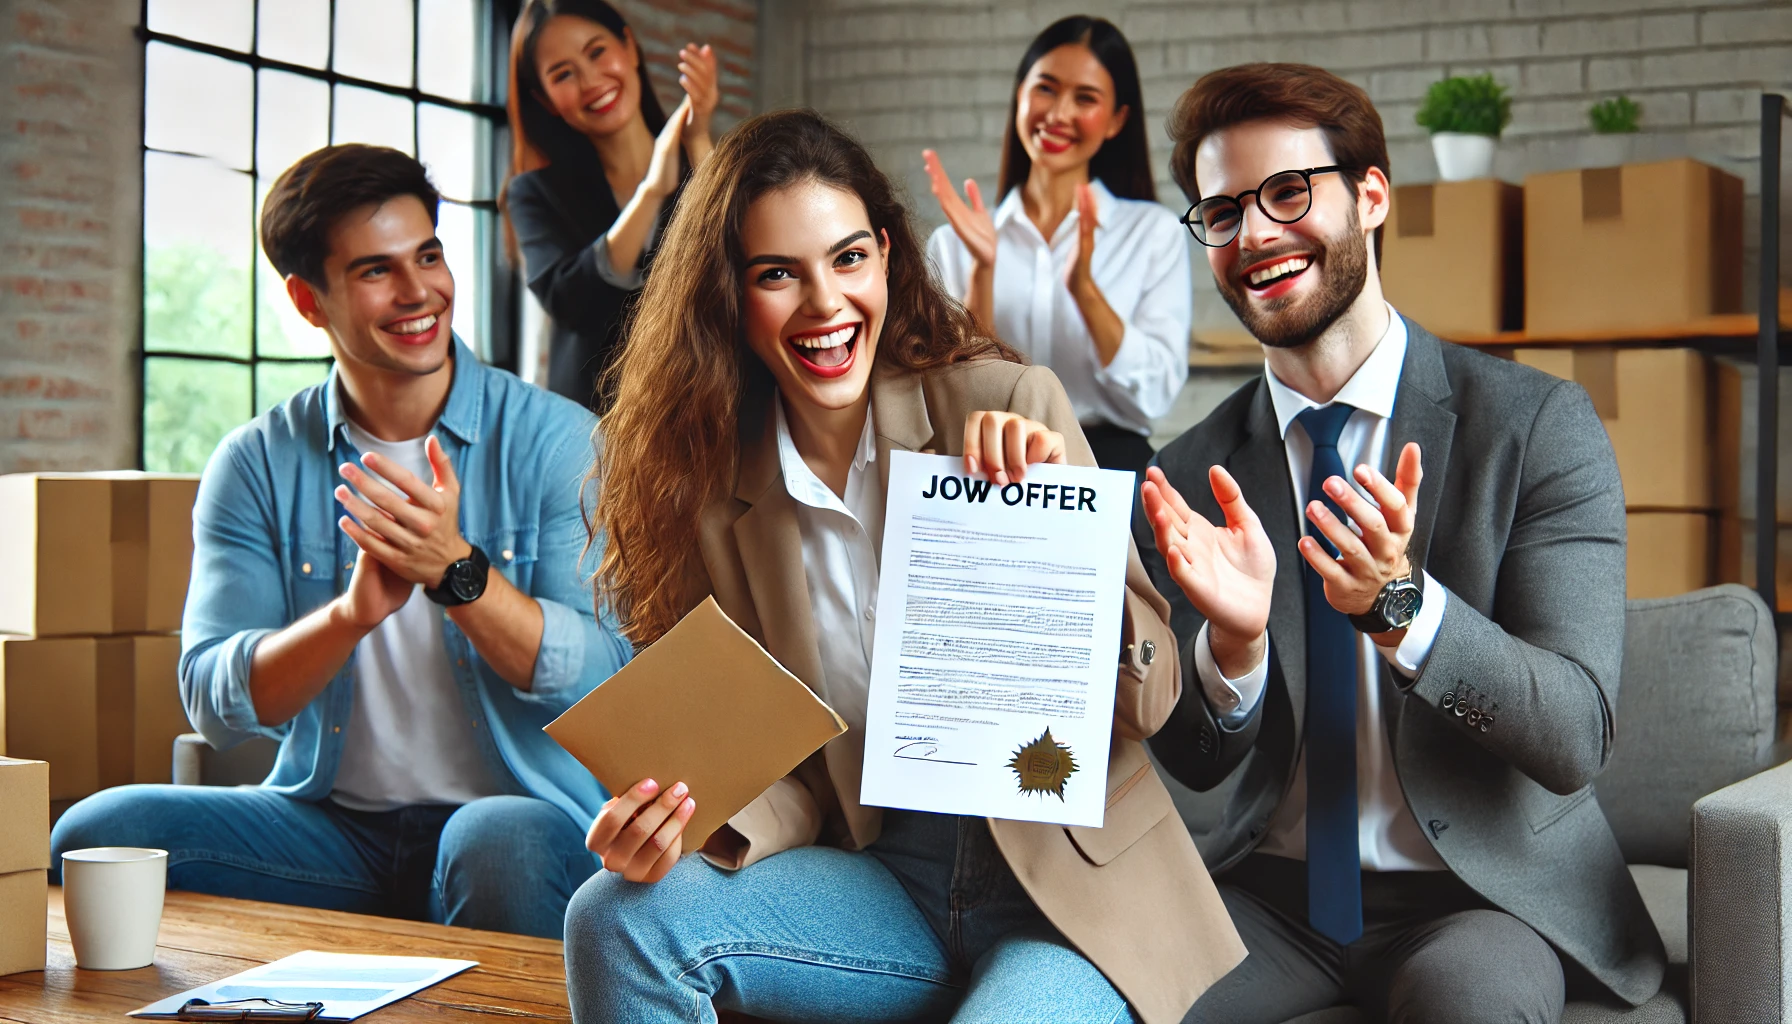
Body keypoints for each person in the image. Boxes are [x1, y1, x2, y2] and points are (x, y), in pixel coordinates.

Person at [561, 109, 1243, 1024]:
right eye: (777, 275)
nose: (825, 305)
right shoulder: (715, 494)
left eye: (848, 259)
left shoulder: (1006, 404)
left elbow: (1146, 704)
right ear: (729, 294)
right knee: (615, 916)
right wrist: (686, 822)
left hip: (1064, 895)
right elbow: (786, 769)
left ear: (885, 255)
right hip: (883, 878)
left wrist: (1050, 540)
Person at [1131, 64, 1666, 1023]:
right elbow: (1200, 762)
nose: (1253, 235)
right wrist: (1235, 652)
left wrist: (1402, 608)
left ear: (1371, 196)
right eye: (1220, 212)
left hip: (1479, 899)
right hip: (1271, 899)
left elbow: (1574, 735)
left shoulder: (1536, 425)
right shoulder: (1191, 470)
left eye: (1288, 193)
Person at [49, 145, 633, 939]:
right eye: (375, 271)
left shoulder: (560, 442)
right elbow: (216, 699)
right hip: (333, 834)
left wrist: (459, 574)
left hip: (524, 826)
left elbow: (609, 677)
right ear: (307, 298)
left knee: (491, 840)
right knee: (97, 834)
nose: (418, 291)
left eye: (428, 255)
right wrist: (351, 616)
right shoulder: (257, 462)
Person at [924, 15, 1190, 475]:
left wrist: (1084, 289)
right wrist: (983, 270)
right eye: (1045, 88)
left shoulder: (1152, 232)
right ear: (1020, 94)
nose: (1059, 113)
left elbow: (1154, 394)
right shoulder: (955, 242)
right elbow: (949, 392)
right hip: (989, 467)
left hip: (1107, 468)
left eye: (1085, 98)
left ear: (1116, 120)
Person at [502, 0, 720, 411]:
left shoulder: (701, 159)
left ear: (629, 47)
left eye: (597, 52)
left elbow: (737, 258)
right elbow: (570, 301)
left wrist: (697, 137)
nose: (590, 81)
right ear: (546, 100)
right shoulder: (534, 194)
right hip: (593, 430)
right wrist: (651, 191)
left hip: (703, 415)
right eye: (563, 74)